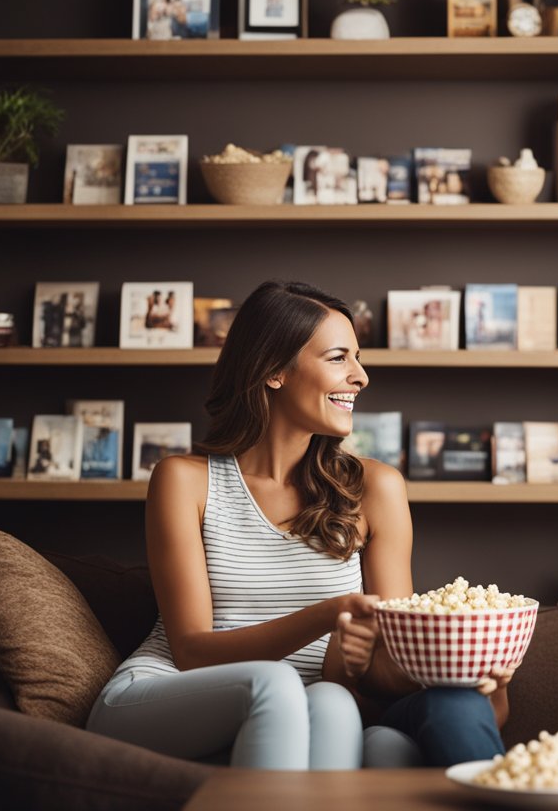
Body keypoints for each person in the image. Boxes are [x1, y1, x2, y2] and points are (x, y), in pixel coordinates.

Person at [88, 280, 514, 769]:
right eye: (338, 358)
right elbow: (190, 652)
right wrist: (326, 614)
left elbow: (383, 663)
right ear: (273, 371)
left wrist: (469, 671)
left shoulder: (377, 489)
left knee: (335, 703)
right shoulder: (184, 481)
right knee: (278, 683)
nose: (361, 377)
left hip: (307, 713)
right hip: (165, 693)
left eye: (358, 358)